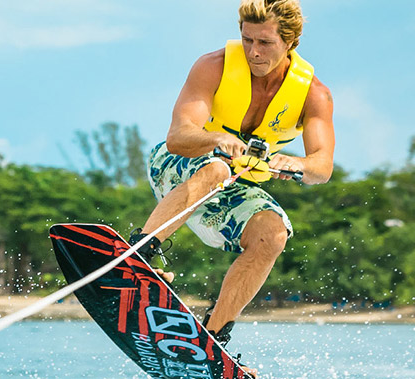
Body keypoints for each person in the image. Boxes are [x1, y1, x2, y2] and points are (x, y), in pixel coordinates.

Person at [130, 0, 334, 347]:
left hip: (235, 188)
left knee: (274, 232)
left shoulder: (314, 95)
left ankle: (212, 338)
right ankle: (138, 257)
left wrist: (297, 164)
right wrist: (216, 139)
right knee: (217, 167)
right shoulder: (213, 67)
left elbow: (322, 167)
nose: (254, 52)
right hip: (177, 167)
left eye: (265, 43)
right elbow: (178, 138)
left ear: (290, 42)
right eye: (247, 40)